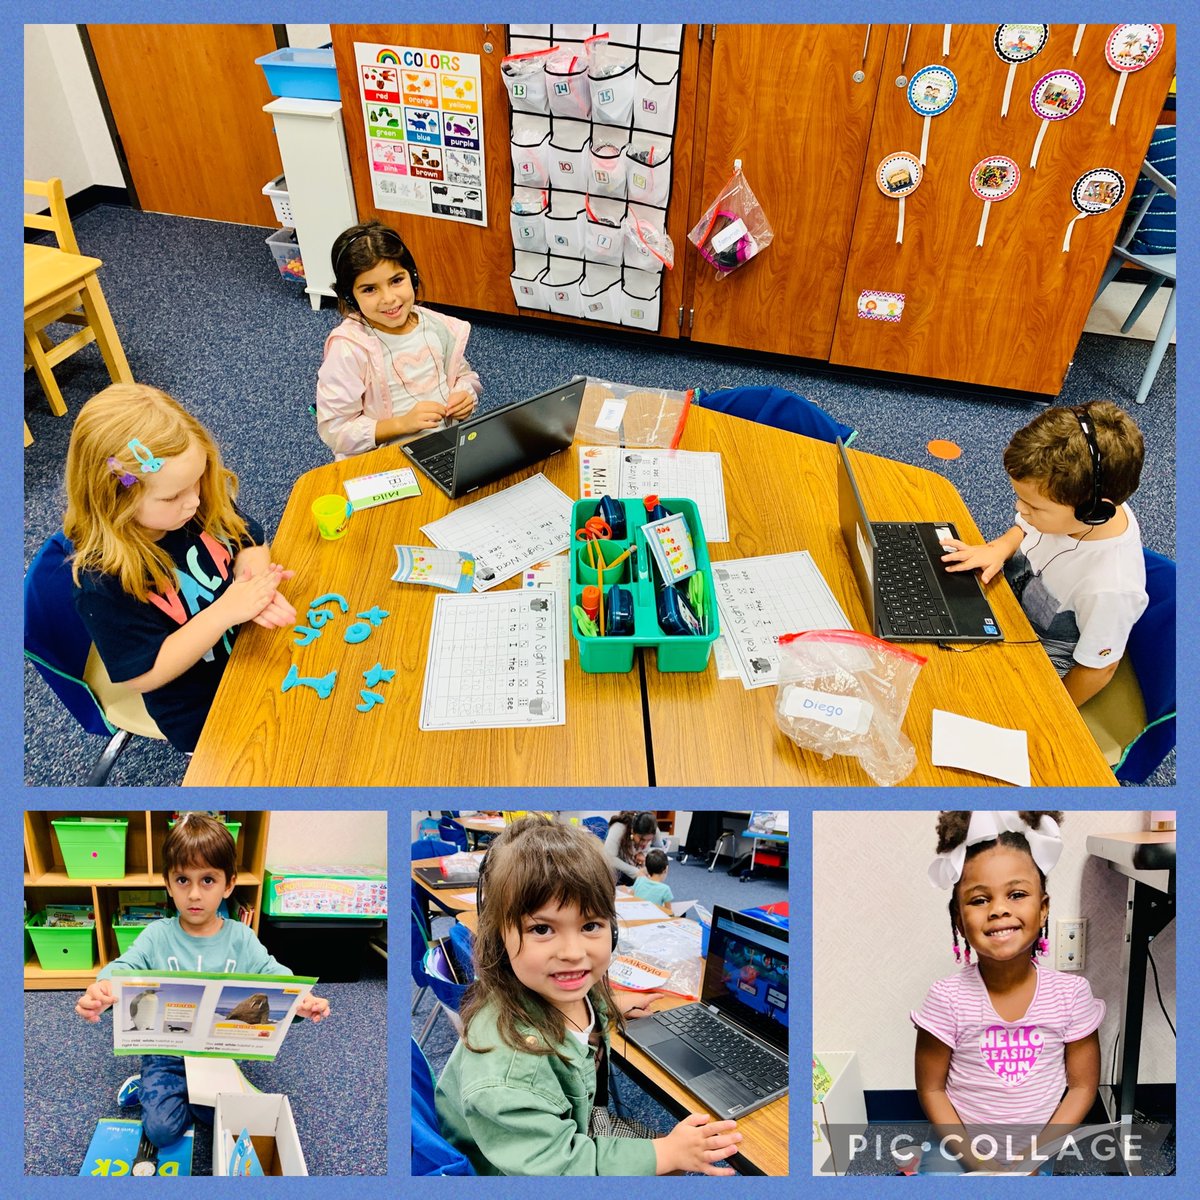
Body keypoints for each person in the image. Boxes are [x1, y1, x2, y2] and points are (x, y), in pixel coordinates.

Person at [434, 818, 741, 1176]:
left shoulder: (561, 986)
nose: (573, 952)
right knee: (671, 1162)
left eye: (590, 925)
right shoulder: (509, 1073)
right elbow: (558, 1168)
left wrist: (610, 1005)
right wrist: (664, 1155)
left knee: (675, 1157)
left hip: (567, 1124)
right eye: (542, 929)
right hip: (522, 1167)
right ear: (499, 936)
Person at [64, 384, 296, 754]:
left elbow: (250, 543)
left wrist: (253, 585)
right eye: (172, 496)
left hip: (253, 652)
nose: (193, 501)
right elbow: (144, 674)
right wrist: (226, 611)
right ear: (115, 497)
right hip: (204, 710)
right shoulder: (102, 580)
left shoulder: (194, 506)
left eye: (197, 481)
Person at [75, 814, 330, 1147]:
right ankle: (147, 1084)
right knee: (162, 1132)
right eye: (183, 880)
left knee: (227, 1120)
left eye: (208, 880)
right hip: (165, 1054)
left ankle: (173, 1094)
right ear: (168, 884)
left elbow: (273, 974)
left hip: (217, 1054)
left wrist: (301, 998)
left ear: (229, 884)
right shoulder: (156, 935)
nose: (194, 894)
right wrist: (103, 987)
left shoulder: (241, 938)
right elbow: (125, 966)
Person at [909, 811, 1103, 1175]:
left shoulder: (1072, 995)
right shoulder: (946, 999)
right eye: (979, 900)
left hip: (1037, 1152)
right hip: (959, 1149)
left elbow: (1082, 1087)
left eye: (1016, 894)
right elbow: (932, 1090)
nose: (999, 909)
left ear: (1042, 909)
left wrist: (1030, 1161)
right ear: (959, 920)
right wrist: (981, 1165)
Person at [939, 402, 1147, 706]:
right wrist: (1000, 547)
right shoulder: (1079, 502)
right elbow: (1025, 528)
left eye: (1033, 507)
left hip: (1038, 658)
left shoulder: (1109, 588)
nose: (1019, 509)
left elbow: (1098, 670)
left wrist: (1051, 713)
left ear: (1093, 512)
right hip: (1005, 610)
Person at [316, 220, 481, 459]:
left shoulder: (437, 327)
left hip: (445, 446)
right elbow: (335, 430)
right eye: (369, 289)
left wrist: (465, 394)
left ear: (412, 277)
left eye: (396, 281)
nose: (389, 298)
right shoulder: (348, 349)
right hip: (384, 459)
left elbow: (463, 375)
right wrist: (401, 424)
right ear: (350, 297)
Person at [604, 811, 659, 884]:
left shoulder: (654, 829)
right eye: (642, 839)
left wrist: (644, 854)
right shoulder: (619, 828)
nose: (645, 843)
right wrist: (635, 872)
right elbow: (609, 858)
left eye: (649, 840)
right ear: (633, 831)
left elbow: (660, 849)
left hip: (631, 864)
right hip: (614, 866)